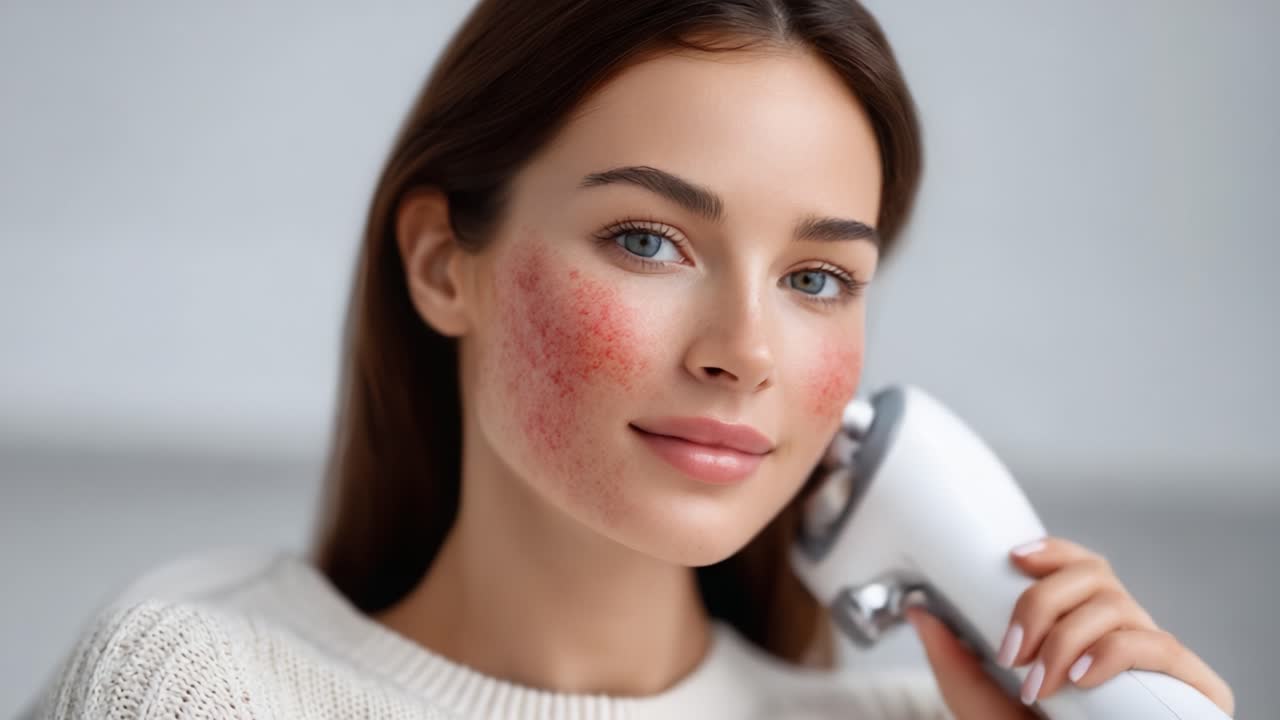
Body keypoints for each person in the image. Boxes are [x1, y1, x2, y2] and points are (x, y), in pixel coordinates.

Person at [23, 1, 1235, 718]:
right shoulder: (196, 681)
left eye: (816, 279)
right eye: (648, 241)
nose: (745, 353)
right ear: (446, 264)